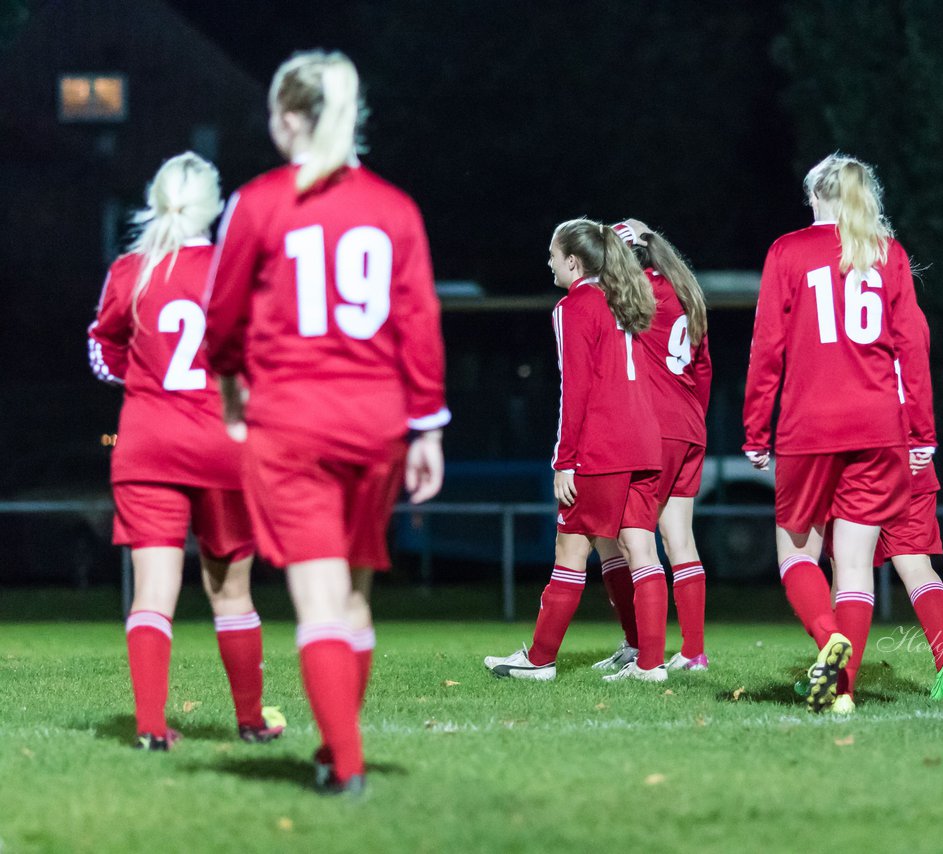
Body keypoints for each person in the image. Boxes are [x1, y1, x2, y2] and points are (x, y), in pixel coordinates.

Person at [204, 50, 449, 795]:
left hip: (293, 424)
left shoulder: (259, 201)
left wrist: (231, 383)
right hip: (375, 425)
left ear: (286, 118)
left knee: (317, 601)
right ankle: (335, 745)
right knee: (354, 597)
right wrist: (428, 426)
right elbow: (420, 323)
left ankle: (344, 766)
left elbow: (222, 318)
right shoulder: (395, 208)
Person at [87, 152, 284, 751]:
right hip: (222, 447)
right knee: (231, 592)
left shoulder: (131, 269)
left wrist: (143, 376)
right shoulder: (237, 272)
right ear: (215, 205)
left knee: (152, 593)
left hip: (147, 445)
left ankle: (150, 728)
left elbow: (102, 354)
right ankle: (250, 722)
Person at [742, 153, 920, 714]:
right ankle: (843, 693)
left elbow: (767, 346)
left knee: (796, 553)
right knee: (856, 564)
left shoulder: (788, 250)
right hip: (879, 426)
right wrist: (923, 432)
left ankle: (828, 639)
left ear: (815, 196)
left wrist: (755, 429)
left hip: (809, 425)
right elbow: (913, 346)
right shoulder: (886, 252)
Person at [484, 218, 669, 682]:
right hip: (645, 444)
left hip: (603, 447)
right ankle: (648, 662)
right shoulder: (625, 299)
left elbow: (577, 390)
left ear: (573, 260)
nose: (548, 262)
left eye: (553, 254)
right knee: (638, 550)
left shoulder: (575, 306)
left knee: (570, 550)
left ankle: (540, 659)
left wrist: (564, 460)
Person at [826, 278, 943, 709]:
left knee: (847, 567)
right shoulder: (914, 318)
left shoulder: (840, 312)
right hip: (911, 452)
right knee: (917, 568)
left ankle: (836, 678)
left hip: (863, 453)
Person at [592, 219, 712, 673]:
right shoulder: (684, 293)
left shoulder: (634, 295)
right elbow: (703, 371)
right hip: (689, 426)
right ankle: (693, 651)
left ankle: (645, 653)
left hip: (651, 428)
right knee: (680, 539)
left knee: (625, 540)